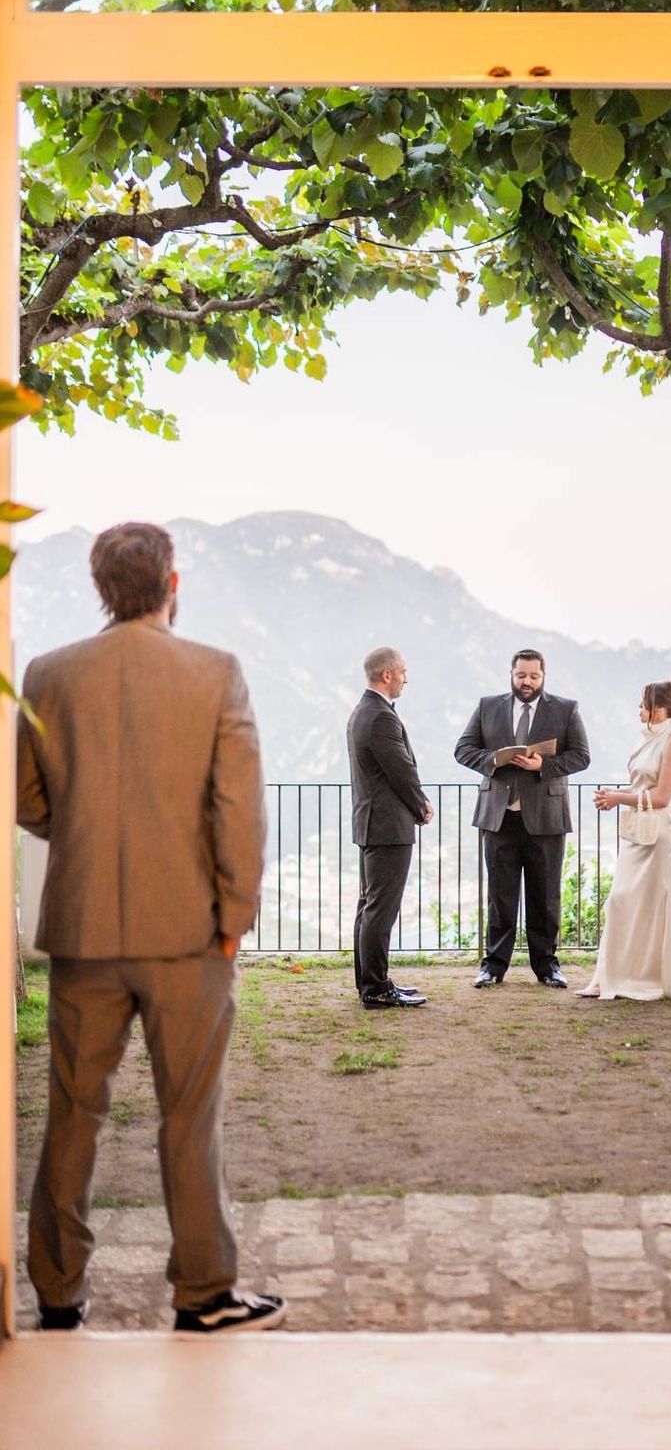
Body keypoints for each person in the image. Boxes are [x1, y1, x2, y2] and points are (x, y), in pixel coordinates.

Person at [17, 522, 285, 1335]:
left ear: (103, 587)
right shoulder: (215, 672)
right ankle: (203, 1293)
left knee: (73, 1112)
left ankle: (58, 1297)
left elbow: (27, 800)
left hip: (83, 927)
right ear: (174, 584)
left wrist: (88, 834)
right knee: (190, 1114)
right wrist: (235, 919)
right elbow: (239, 808)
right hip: (188, 936)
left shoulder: (49, 674)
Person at [455, 649, 590, 988]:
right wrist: (494, 760)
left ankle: (547, 967)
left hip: (546, 818)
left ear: (543, 676)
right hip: (499, 818)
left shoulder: (565, 708)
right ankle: (493, 967)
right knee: (500, 897)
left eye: (533, 676)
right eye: (521, 676)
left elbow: (581, 756)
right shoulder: (488, 707)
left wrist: (542, 765)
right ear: (511, 674)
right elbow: (463, 749)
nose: (527, 682)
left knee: (545, 897)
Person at [578, 678, 671, 1001]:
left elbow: (663, 796)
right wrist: (616, 795)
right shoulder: (651, 740)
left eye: (643, 704)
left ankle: (648, 975)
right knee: (623, 901)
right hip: (639, 832)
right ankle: (611, 976)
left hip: (662, 834)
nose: (639, 709)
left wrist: (618, 798)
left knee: (649, 905)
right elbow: (644, 788)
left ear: (657, 708)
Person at [347, 647, 434, 1008]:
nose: (405, 679)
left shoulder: (361, 712)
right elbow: (401, 770)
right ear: (386, 675)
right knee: (381, 910)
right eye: (402, 672)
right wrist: (422, 804)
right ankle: (377, 988)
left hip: (371, 823)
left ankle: (369, 981)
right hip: (387, 827)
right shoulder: (380, 717)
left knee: (369, 906)